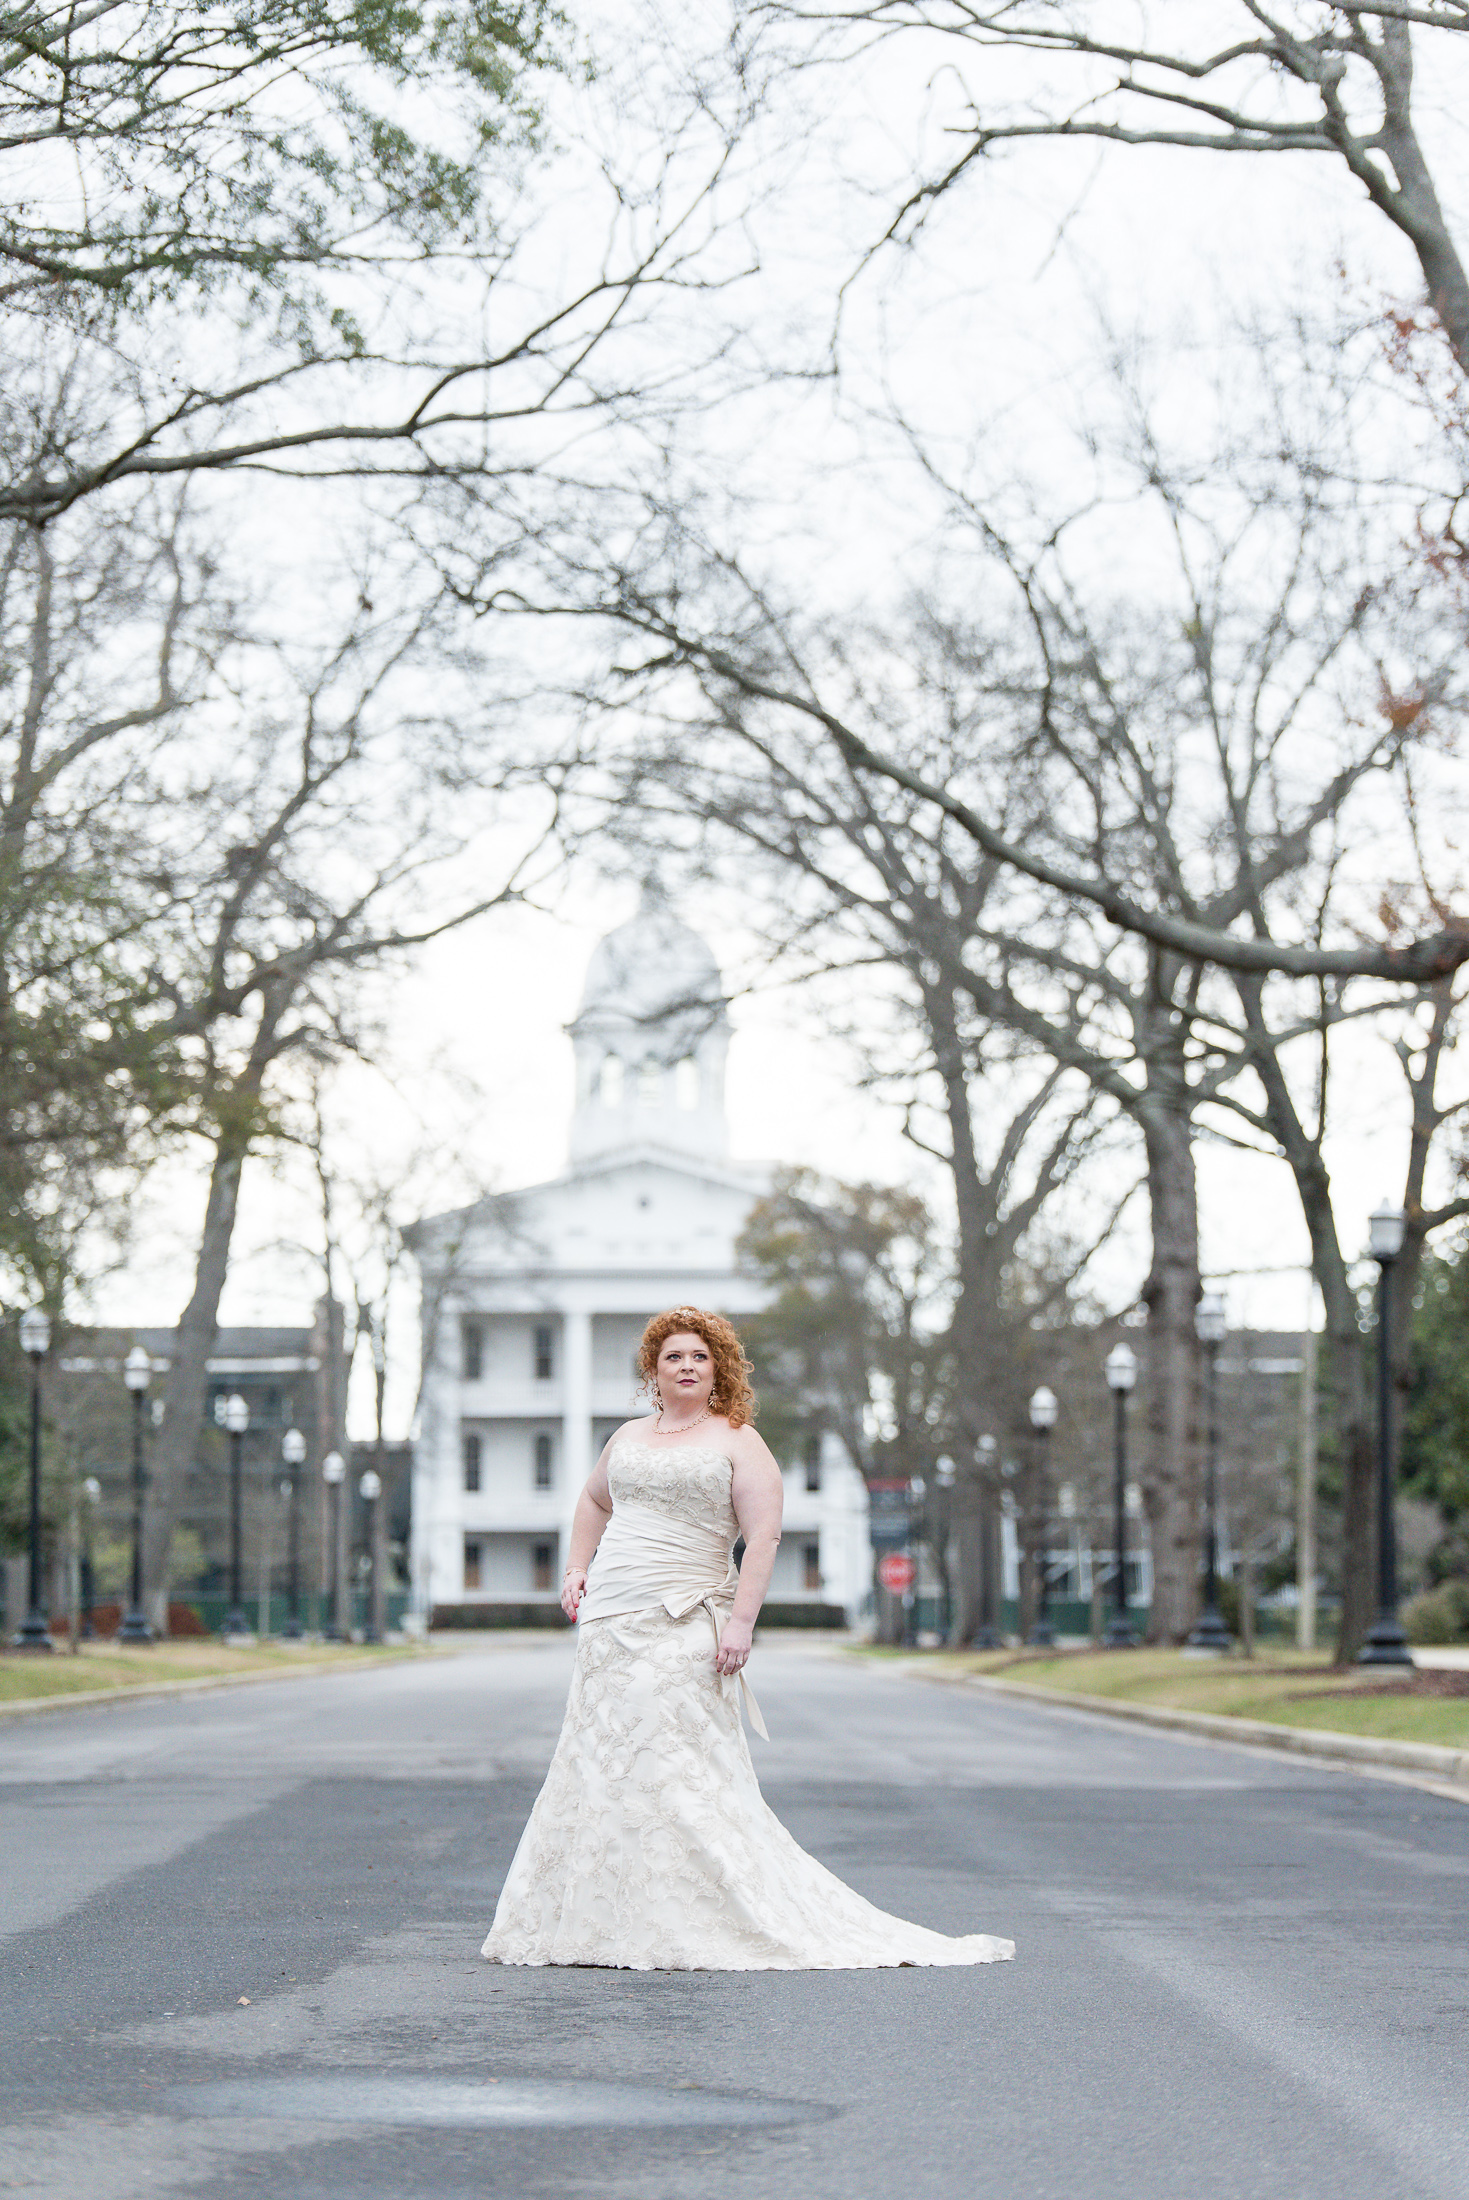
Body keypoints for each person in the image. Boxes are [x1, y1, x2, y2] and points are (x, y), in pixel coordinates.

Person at [481, 1306, 1015, 1971]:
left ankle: (693, 1913)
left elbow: (761, 1536)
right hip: (610, 1625)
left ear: (718, 1370)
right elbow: (593, 1502)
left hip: (685, 1621)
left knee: (674, 1765)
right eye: (673, 1356)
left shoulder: (738, 1440)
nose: (685, 1366)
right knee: (598, 1762)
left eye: (698, 1357)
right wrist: (575, 1568)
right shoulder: (625, 1438)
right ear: (653, 1368)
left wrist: (740, 1623)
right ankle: (601, 1919)